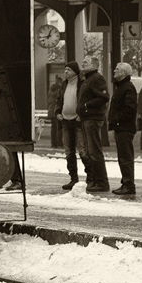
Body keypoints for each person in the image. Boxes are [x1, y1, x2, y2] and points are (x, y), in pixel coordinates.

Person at [53, 62, 89, 190]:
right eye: (65, 69)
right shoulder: (64, 84)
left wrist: (82, 115)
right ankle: (73, 178)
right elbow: (59, 100)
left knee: (83, 150)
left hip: (77, 120)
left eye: (68, 69)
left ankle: (90, 178)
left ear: (75, 71)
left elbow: (85, 100)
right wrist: (57, 112)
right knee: (69, 151)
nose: (66, 71)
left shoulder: (82, 83)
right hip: (65, 121)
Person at [77, 57, 110, 192]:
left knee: (94, 151)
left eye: (86, 62)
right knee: (91, 151)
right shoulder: (87, 79)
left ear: (94, 65)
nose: (82, 63)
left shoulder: (96, 78)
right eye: (83, 61)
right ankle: (96, 181)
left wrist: (86, 106)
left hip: (93, 118)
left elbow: (103, 97)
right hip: (87, 118)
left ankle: (101, 182)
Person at [108, 62, 138, 195]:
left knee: (125, 157)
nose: (114, 71)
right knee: (123, 157)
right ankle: (126, 183)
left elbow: (129, 109)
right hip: (121, 127)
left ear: (124, 73)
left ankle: (129, 185)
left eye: (117, 69)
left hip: (124, 128)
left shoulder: (127, 88)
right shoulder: (122, 87)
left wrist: (117, 120)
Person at [49, 75, 63, 148]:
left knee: (53, 128)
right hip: (56, 111)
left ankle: (53, 144)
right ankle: (59, 143)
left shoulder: (51, 90)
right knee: (59, 128)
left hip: (51, 111)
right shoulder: (58, 90)